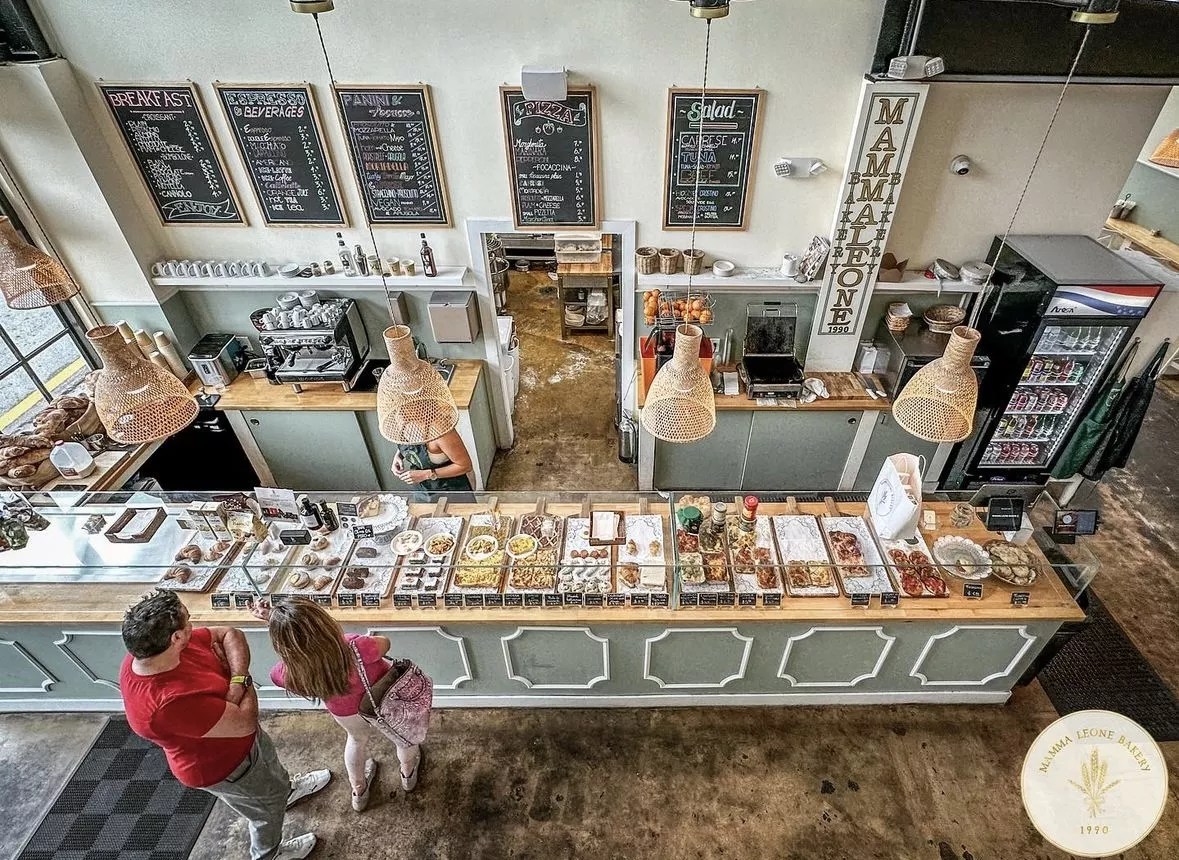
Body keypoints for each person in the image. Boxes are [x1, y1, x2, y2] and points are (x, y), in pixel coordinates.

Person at [119, 590, 330, 860]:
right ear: (176, 637)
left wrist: (235, 682)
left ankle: (286, 791)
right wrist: (243, 680)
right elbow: (245, 722)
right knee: (265, 814)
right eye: (188, 621)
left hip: (244, 743)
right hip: (224, 765)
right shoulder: (166, 705)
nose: (193, 625)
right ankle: (270, 854)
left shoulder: (155, 652)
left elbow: (231, 634)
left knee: (271, 769)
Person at [253, 598, 427, 812]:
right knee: (404, 738)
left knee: (356, 741)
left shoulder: (286, 672)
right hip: (385, 700)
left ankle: (359, 791)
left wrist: (276, 622)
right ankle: (408, 775)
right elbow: (385, 643)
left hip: (346, 713)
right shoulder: (356, 646)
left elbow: (300, 651)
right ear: (325, 623)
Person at [392, 426, 473, 492]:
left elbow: (465, 466)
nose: (399, 415)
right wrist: (399, 455)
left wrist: (426, 474)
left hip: (450, 488)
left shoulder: (441, 432)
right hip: (421, 488)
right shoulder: (399, 423)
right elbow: (408, 445)